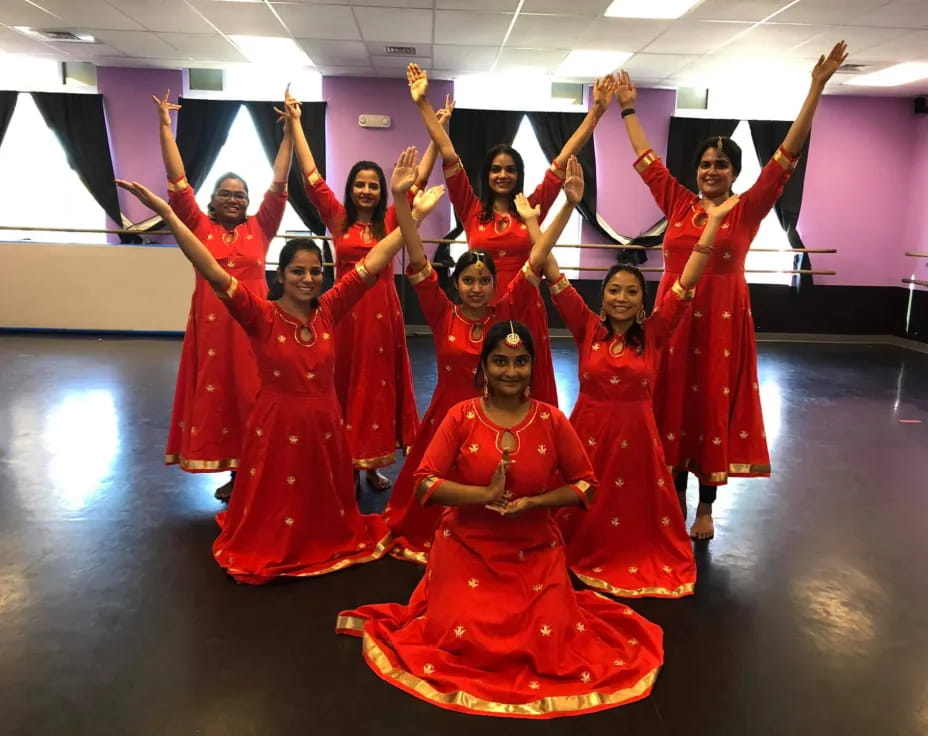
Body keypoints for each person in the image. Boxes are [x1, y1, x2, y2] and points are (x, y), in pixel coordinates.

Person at [117, 145, 446, 584]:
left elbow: (377, 259)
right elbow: (209, 267)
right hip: (274, 430)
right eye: (298, 272)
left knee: (324, 502)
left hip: (325, 426)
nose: (308, 279)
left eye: (315, 272)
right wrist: (167, 213)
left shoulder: (330, 309)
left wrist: (411, 213)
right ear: (280, 275)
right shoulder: (260, 316)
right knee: (277, 504)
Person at [337, 320, 663, 718]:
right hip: (467, 547)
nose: (511, 371)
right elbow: (424, 485)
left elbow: (587, 487)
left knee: (547, 644)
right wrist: (484, 496)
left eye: (521, 361)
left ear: (533, 367)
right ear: (484, 368)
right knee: (464, 635)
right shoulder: (462, 417)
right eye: (500, 361)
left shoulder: (551, 420)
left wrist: (534, 503)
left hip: (535, 549)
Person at [614, 41, 848, 540]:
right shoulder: (678, 204)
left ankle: (705, 507)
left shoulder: (747, 209)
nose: (711, 170)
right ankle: (669, 498)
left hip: (722, 321)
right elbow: (648, 160)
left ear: (734, 173)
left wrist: (816, 86)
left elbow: (787, 154)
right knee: (670, 401)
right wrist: (628, 109)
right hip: (672, 320)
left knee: (710, 407)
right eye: (705, 164)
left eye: (721, 164)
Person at [385, 158, 585, 563]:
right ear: (456, 284)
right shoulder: (442, 312)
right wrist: (399, 201)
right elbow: (416, 252)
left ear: (496, 285)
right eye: (468, 281)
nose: (476, 288)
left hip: (497, 419)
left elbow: (540, 251)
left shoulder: (507, 310)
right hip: (447, 418)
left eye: (484, 281)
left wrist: (568, 204)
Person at [545, 193, 738, 598]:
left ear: (642, 301)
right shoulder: (586, 327)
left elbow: (687, 281)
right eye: (614, 290)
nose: (621, 297)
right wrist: (538, 220)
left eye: (631, 292)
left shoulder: (656, 331)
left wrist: (714, 224)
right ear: (602, 296)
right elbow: (551, 272)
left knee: (634, 514)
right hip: (587, 436)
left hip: (637, 440)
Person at [407, 63, 617, 407]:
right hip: (479, 306)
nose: (502, 175)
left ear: (519, 174)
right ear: (486, 174)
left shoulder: (530, 206)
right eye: (495, 169)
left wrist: (597, 111)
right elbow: (448, 153)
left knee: (524, 383)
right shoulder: (471, 210)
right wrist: (423, 104)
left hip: (524, 305)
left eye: (510, 169)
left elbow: (564, 156)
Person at [286, 89, 452, 492]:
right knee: (340, 385)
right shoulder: (337, 218)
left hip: (381, 316)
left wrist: (438, 129)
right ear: (351, 189)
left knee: (375, 389)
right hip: (341, 316)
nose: (366, 191)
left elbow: (418, 179)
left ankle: (372, 463)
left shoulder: (393, 218)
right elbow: (311, 179)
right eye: (360, 184)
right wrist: (295, 124)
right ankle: (342, 458)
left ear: (382, 191)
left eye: (373, 185)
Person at [153, 88, 293, 501]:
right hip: (212, 336)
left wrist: (288, 134)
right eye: (225, 194)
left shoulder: (260, 228)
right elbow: (178, 184)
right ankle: (235, 474)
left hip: (254, 332)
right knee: (222, 403)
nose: (234, 199)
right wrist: (165, 127)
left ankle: (261, 471)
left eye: (240, 195)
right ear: (212, 201)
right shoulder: (198, 226)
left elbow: (280, 182)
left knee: (255, 400)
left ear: (248, 202)